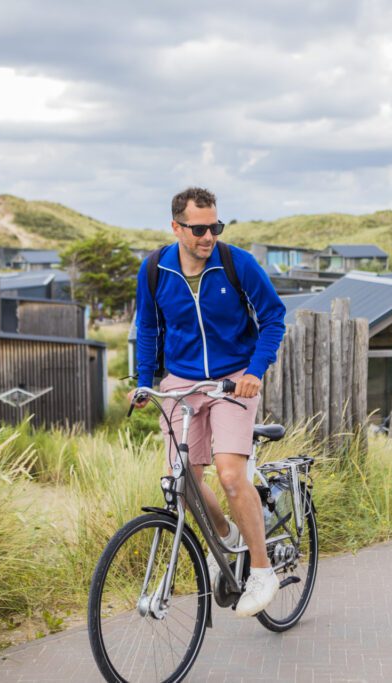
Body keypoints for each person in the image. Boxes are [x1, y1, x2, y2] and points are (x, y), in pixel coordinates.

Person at [130, 187, 287, 615]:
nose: (208, 236)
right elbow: (148, 328)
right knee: (181, 483)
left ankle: (261, 570)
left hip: (234, 378)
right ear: (176, 227)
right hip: (181, 382)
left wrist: (255, 371)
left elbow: (274, 316)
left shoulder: (237, 263)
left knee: (231, 475)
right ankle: (228, 536)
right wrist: (145, 382)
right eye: (199, 229)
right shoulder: (155, 270)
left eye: (214, 227)